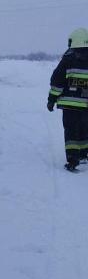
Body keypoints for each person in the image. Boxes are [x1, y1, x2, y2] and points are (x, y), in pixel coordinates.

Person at [47, 28, 88, 171]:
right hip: (86, 106)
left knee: (71, 131)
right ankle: (83, 154)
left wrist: (51, 99)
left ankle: (72, 160)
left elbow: (57, 81)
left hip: (70, 106)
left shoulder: (68, 59)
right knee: (84, 129)